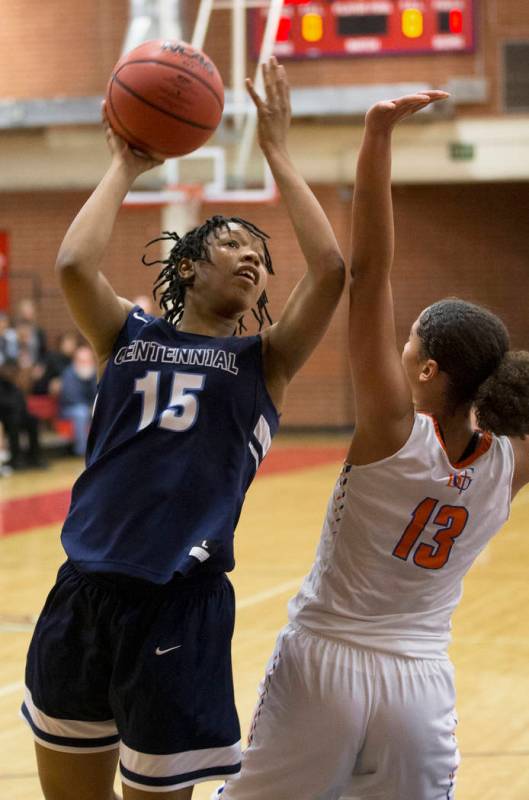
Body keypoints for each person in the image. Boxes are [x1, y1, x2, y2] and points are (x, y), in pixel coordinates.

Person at [20, 57, 345, 800]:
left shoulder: (265, 361)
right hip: (84, 594)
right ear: (189, 267)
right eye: (235, 245)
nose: (254, 261)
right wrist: (123, 166)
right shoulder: (124, 336)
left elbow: (328, 269)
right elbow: (73, 261)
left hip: (180, 606)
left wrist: (278, 153)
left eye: (262, 260)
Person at [212, 91, 529, 800]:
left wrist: (376, 135)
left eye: (411, 336)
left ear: (425, 370)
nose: (401, 339)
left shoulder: (392, 430)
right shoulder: (511, 462)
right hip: (417, 684)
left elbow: (368, 275)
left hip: (324, 664)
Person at [59, 344, 97, 455]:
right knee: (81, 413)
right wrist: (89, 406)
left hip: (89, 407)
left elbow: (98, 393)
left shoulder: (94, 373)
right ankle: (82, 451)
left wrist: (92, 379)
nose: (85, 363)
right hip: (70, 409)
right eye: (82, 360)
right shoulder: (68, 373)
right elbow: (70, 397)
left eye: (88, 360)